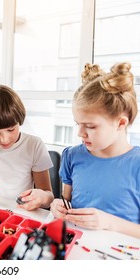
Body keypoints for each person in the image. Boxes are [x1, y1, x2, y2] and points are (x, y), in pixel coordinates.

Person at [50, 62, 140, 238]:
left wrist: (109, 222)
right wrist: (58, 205)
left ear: (121, 123)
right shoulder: (72, 156)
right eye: (78, 124)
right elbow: (66, 202)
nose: (80, 133)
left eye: (90, 126)